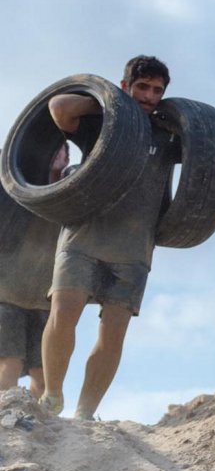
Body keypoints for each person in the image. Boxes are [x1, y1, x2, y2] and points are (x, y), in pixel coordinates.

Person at [41, 55, 179, 420]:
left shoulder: (168, 134)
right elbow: (59, 108)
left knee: (113, 331)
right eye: (142, 87)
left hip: (134, 247)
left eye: (157, 90)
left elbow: (210, 161)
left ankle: (85, 414)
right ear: (125, 86)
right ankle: (52, 397)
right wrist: (108, 101)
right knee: (64, 312)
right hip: (83, 235)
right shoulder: (102, 124)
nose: (149, 96)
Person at [0, 143, 70, 398]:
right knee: (10, 362)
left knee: (44, 374)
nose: (58, 155)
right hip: (6, 293)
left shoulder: (72, 193)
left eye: (63, 151)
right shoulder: (18, 187)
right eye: (54, 149)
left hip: (44, 298)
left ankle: (42, 427)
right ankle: (5, 421)